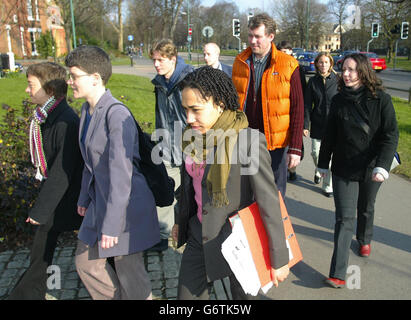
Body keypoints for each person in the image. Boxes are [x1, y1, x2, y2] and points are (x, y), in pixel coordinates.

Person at [172, 66, 290, 300]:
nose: (188, 118)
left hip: (240, 242)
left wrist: (279, 258)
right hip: (199, 234)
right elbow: (188, 185)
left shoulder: (248, 142)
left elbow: (268, 201)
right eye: (185, 110)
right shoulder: (192, 136)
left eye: (195, 110)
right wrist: (179, 220)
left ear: (220, 104)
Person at [65, 45, 160, 299]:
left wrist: (112, 225)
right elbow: (90, 162)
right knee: (86, 263)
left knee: (130, 273)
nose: (69, 81)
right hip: (100, 202)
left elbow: (121, 175)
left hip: (125, 207)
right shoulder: (87, 110)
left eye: (74, 76)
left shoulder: (117, 115)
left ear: (95, 78)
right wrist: (84, 199)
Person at [318, 53, 398, 288]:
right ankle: (338, 273)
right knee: (344, 219)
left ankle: (364, 238)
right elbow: (330, 135)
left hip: (372, 167)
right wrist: (323, 163)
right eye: (344, 69)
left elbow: (390, 135)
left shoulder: (381, 100)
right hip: (343, 167)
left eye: (352, 69)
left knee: (365, 207)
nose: (346, 74)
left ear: (364, 72)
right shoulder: (339, 99)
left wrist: (383, 166)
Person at [7, 62, 83, 300]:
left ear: (49, 90)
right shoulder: (47, 115)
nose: (27, 91)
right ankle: (29, 292)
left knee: (47, 233)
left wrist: (41, 210)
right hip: (66, 195)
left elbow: (61, 171)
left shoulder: (65, 121)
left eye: (31, 85)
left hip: (76, 196)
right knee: (45, 238)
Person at [232, 13, 304, 198]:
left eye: (258, 36)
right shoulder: (240, 62)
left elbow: (297, 108)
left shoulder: (289, 65)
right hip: (245, 139)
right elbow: (233, 102)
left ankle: (274, 227)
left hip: (276, 144)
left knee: (273, 195)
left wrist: (295, 148)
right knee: (245, 193)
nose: (252, 41)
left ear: (271, 37)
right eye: (250, 35)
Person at [149, 39, 194, 251]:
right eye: (155, 60)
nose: (157, 64)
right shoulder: (158, 83)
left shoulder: (190, 79)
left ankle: (188, 233)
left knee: (188, 194)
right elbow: (159, 115)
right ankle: (162, 235)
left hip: (189, 148)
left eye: (161, 60)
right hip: (166, 147)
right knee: (165, 190)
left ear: (173, 59)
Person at [304, 52, 339, 197]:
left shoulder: (338, 79)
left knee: (329, 158)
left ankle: (327, 186)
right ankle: (319, 169)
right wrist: (306, 125)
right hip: (317, 123)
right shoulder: (313, 81)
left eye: (326, 62)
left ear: (331, 63)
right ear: (317, 64)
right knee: (316, 153)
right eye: (320, 62)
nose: (323, 65)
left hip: (334, 124)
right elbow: (307, 105)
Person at [277, 40, 306, 182]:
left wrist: (305, 122)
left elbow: (303, 95)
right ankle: (288, 167)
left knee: (293, 142)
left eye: (288, 53)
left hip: (293, 112)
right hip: (279, 113)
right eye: (283, 53)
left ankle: (292, 168)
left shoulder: (297, 69)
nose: (286, 56)